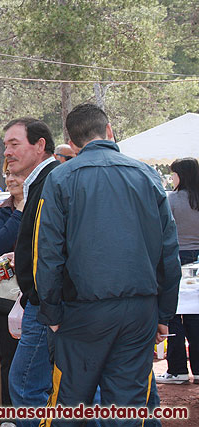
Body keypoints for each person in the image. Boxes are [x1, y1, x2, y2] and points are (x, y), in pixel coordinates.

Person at [35, 104, 180, 425]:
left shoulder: (60, 178)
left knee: (69, 405)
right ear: (110, 131)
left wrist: (52, 312)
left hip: (82, 311)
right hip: (138, 310)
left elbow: (47, 255)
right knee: (129, 408)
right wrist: (164, 314)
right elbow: (168, 251)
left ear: (71, 143)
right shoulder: (146, 175)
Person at [4, 117, 58, 427]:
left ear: (39, 146)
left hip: (45, 305)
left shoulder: (51, 180)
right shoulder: (42, 181)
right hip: (42, 302)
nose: (8, 152)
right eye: (6, 146)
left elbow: (54, 246)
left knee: (26, 384)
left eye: (14, 144)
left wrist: (36, 300)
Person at [0, 162, 26, 426]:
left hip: (38, 294)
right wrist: (20, 209)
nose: (11, 179)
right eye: (8, 174)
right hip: (6, 295)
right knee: (8, 357)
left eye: (18, 175)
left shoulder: (46, 205)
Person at [156, 157, 199, 385]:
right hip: (198, 262)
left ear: (180, 175)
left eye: (173, 174)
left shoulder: (171, 199)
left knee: (172, 314)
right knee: (196, 315)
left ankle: (177, 369)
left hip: (176, 259)